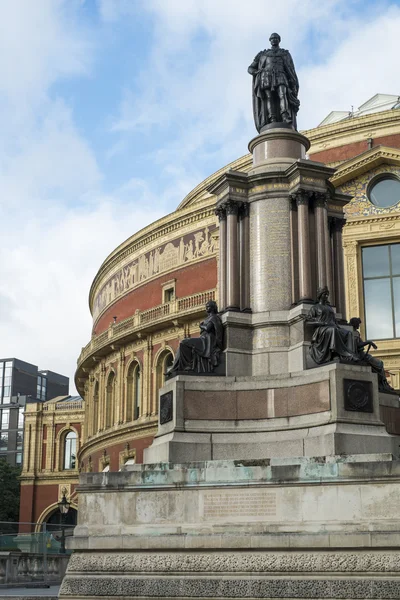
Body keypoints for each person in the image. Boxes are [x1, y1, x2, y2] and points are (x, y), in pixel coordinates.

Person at [248, 33, 300, 132]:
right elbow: (250, 68)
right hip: (266, 77)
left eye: (276, 38)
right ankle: (272, 118)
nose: (274, 40)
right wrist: (256, 72)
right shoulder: (262, 54)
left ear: (279, 40)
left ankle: (285, 116)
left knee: (282, 94)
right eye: (272, 38)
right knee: (269, 97)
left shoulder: (285, 53)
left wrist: (293, 83)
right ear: (270, 40)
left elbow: (290, 69)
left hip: (281, 75)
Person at [168, 300, 223, 375]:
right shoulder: (208, 318)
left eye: (208, 307)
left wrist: (201, 326)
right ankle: (178, 367)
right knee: (183, 343)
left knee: (184, 342)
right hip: (203, 339)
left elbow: (207, 328)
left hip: (207, 341)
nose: (206, 308)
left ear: (213, 308)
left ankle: (183, 366)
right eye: (206, 307)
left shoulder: (214, 317)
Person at [307, 287, 359, 365]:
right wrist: (320, 323)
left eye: (327, 294)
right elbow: (308, 322)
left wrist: (338, 327)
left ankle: (350, 355)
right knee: (333, 331)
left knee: (348, 333)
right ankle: (335, 354)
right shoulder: (315, 308)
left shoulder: (329, 308)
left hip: (334, 327)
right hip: (322, 330)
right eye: (325, 294)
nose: (327, 296)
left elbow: (334, 321)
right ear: (320, 295)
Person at [349, 317, 395, 393]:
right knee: (379, 364)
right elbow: (358, 345)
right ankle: (384, 384)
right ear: (355, 324)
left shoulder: (356, 333)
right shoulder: (352, 333)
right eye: (358, 324)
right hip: (360, 355)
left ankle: (383, 384)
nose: (359, 326)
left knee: (379, 364)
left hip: (362, 354)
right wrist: (369, 342)